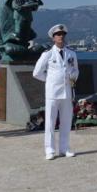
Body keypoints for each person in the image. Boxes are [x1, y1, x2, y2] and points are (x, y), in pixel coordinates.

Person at [33, 24, 79, 160]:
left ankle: (64, 148)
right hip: (53, 92)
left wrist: (73, 77)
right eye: (58, 34)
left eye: (62, 34)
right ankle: (50, 149)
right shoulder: (47, 54)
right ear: (53, 38)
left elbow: (76, 70)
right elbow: (37, 73)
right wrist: (50, 80)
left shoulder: (71, 54)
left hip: (67, 91)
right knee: (50, 122)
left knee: (66, 121)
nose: (61, 36)